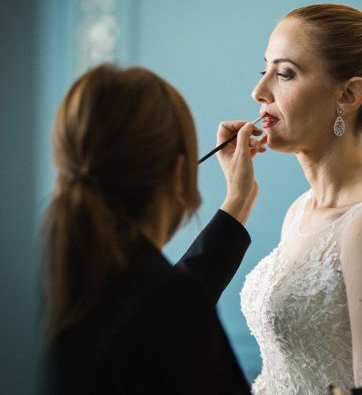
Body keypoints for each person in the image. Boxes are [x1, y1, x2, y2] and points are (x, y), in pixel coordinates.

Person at [240, 4, 362, 394]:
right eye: (265, 70)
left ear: (348, 94)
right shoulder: (300, 211)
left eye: (285, 74)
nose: (259, 91)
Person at [40, 64, 266, 394]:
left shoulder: (45, 273)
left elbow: (140, 303)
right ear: (179, 172)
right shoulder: (166, 304)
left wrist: (238, 200)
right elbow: (159, 313)